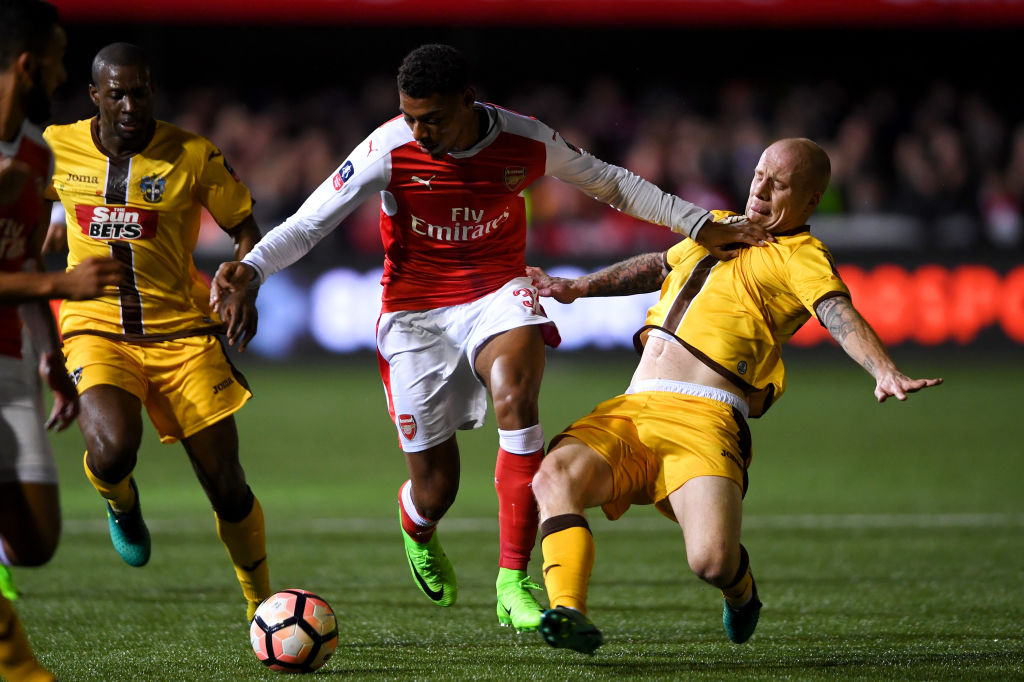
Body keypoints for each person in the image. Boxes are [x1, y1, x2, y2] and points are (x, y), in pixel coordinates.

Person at [211, 43, 770, 633]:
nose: (420, 132)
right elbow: (310, 222)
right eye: (410, 117)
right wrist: (252, 269)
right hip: (415, 314)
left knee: (517, 397)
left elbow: (611, 183)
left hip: (499, 291)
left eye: (433, 119)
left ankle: (512, 580)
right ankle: (416, 523)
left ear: (468, 101)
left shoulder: (526, 140)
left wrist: (696, 221)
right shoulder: (388, 148)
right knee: (437, 489)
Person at [526, 138, 943, 654]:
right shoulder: (718, 224)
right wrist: (577, 287)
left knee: (712, 562)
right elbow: (659, 265)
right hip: (635, 405)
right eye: (759, 175)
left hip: (706, 418)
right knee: (553, 476)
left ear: (811, 200)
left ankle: (741, 592)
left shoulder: (801, 255)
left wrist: (883, 369)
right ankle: (569, 611)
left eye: (778, 185)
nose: (760, 191)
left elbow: (835, 310)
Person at [42, 42, 271, 622]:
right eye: (116, 94)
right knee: (112, 450)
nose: (130, 105)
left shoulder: (192, 154)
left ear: (152, 91)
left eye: (139, 92)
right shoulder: (56, 147)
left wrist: (244, 279)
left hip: (183, 333)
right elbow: (25, 208)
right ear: (94, 95)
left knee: (226, 485)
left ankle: (261, 605)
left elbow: (246, 228)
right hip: (95, 328)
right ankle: (121, 503)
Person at [0, 2, 121, 680]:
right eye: (55, 59)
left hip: (13, 359)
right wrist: (60, 286)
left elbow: (21, 261)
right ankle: (18, 665)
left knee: (36, 541)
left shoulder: (36, 155)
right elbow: (45, 276)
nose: (62, 72)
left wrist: (49, 351)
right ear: (26, 65)